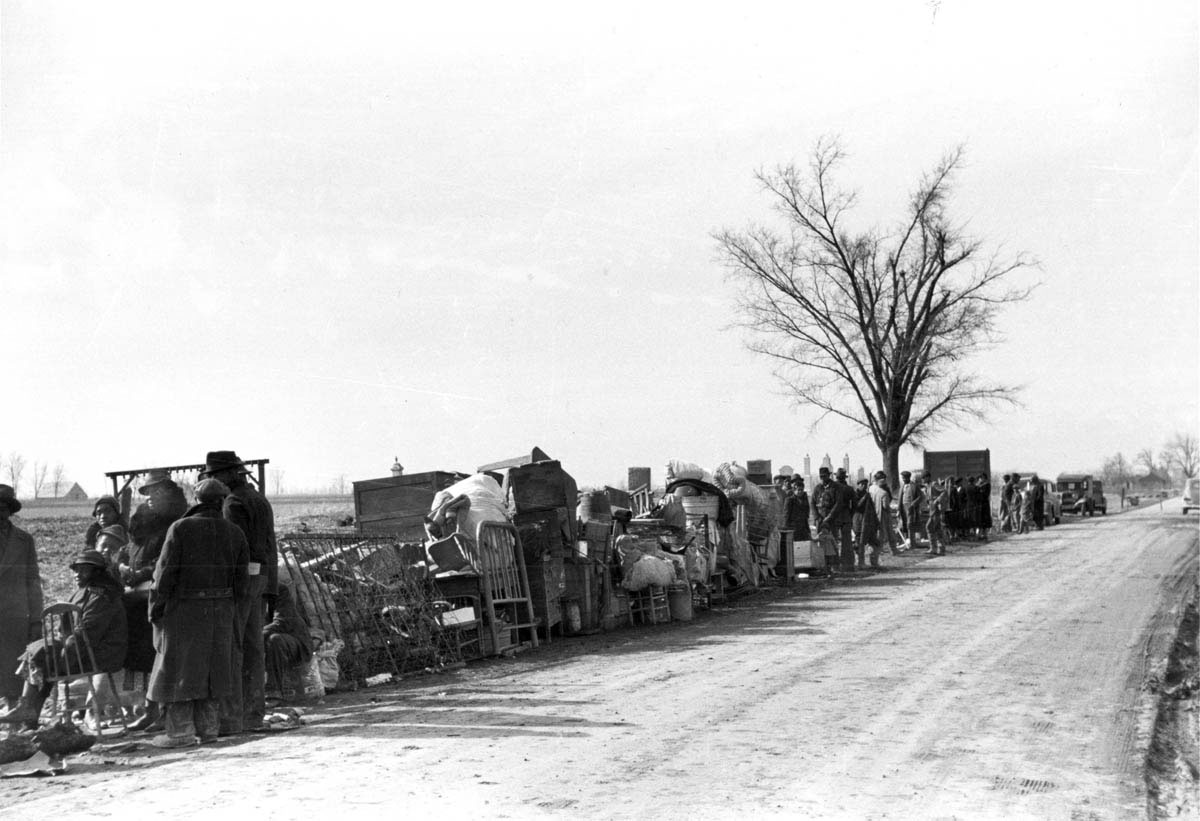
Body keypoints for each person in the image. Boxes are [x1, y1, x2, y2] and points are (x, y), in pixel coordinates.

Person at [147, 478, 249, 748]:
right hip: (222, 612)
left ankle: (180, 733)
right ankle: (209, 731)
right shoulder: (235, 532)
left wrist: (155, 608)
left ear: (197, 499)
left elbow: (164, 574)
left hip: (186, 612)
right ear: (221, 501)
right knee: (215, 671)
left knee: (179, 669)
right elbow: (242, 582)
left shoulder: (180, 528)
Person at [0, 550, 126, 729]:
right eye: (75, 570)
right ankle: (27, 710)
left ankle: (28, 714)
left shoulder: (102, 596)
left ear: (97, 573)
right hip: (81, 651)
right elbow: (64, 631)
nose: (77, 574)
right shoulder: (80, 593)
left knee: (46, 660)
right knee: (39, 649)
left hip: (101, 654)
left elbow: (87, 635)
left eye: (83, 570)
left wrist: (62, 660)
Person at [200, 450, 276, 736]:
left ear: (232, 473)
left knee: (237, 647)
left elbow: (237, 548)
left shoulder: (233, 502)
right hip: (261, 578)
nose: (216, 481)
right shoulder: (258, 498)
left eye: (217, 475)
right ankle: (255, 712)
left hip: (244, 581)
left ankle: (239, 716)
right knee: (254, 646)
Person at [120, 469, 189, 732]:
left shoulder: (177, 522)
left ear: (169, 494)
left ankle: (164, 711)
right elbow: (126, 550)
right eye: (147, 492)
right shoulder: (141, 523)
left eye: (156, 492)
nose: (150, 497)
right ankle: (150, 709)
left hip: (161, 597)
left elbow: (169, 561)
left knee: (163, 654)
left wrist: (143, 572)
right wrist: (122, 566)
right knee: (144, 656)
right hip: (137, 601)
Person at [0, 484, 42, 711]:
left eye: (4, 507)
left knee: (12, 669)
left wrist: (36, 618)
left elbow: (33, 580)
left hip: (14, 615)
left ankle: (14, 717)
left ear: (10, 510)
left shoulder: (24, 540)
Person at [263, 583, 313, 700]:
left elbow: (282, 621)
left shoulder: (279, 590)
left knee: (274, 640)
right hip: (265, 638)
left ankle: (273, 693)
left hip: (296, 642)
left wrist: (257, 636)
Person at [86, 496, 129, 570]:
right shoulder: (93, 535)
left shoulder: (125, 533)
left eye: (108, 511)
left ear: (116, 513)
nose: (103, 516)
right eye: (99, 513)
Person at [814, 467, 843, 573]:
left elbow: (838, 503)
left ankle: (835, 566)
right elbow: (813, 502)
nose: (822, 479)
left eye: (824, 476)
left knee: (833, 543)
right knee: (820, 543)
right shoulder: (817, 488)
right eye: (821, 477)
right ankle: (822, 566)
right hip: (820, 520)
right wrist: (817, 516)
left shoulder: (836, 487)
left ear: (829, 475)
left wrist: (830, 516)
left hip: (832, 520)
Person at [832, 468, 856, 572]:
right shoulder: (849, 489)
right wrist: (850, 514)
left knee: (834, 541)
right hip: (846, 515)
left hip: (834, 516)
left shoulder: (833, 488)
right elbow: (855, 505)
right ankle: (848, 565)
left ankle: (835, 564)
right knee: (847, 542)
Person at [785, 476, 811, 542]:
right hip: (794, 528)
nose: (800, 492)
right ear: (794, 490)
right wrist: (787, 529)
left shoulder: (804, 499)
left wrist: (807, 529)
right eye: (798, 490)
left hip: (803, 528)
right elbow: (786, 515)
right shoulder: (789, 500)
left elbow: (806, 515)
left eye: (801, 490)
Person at [926, 481, 948, 556]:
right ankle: (936, 548)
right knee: (934, 528)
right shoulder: (928, 486)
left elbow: (944, 491)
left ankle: (938, 548)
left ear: (927, 477)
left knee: (933, 527)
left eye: (923, 478)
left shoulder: (934, 484)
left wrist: (937, 500)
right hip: (932, 510)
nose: (922, 480)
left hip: (936, 510)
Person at [897, 471, 912, 544]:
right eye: (902, 478)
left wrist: (913, 504)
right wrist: (898, 509)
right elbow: (900, 498)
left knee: (910, 523)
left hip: (909, 507)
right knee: (903, 524)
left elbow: (920, 497)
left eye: (904, 478)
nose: (903, 480)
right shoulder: (902, 486)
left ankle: (911, 540)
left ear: (908, 478)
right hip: (902, 508)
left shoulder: (913, 486)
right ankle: (905, 539)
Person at [977, 473, 994, 540]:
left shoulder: (987, 485)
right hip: (979, 504)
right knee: (980, 520)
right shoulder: (978, 485)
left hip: (985, 504)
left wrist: (980, 492)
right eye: (980, 478)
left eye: (982, 478)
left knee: (985, 519)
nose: (981, 479)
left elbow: (986, 494)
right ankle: (979, 534)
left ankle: (985, 534)